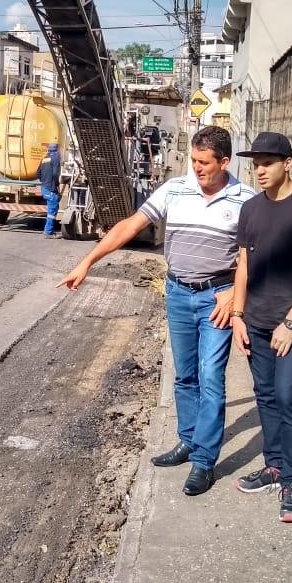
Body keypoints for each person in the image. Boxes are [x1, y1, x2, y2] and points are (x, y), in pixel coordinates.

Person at [59, 125, 255, 496]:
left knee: (211, 376)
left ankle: (203, 462)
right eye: (193, 160)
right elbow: (130, 226)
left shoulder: (245, 199)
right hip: (178, 293)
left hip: (218, 297)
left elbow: (252, 255)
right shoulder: (174, 189)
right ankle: (187, 440)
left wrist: (235, 298)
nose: (196, 168)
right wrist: (87, 262)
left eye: (204, 163)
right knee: (184, 376)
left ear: (225, 162)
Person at [230, 132, 292, 523]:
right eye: (256, 164)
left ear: (288, 162)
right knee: (266, 395)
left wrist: (291, 321)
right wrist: (238, 317)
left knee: (288, 396)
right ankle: (273, 466)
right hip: (254, 321)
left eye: (268, 162)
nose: (260, 170)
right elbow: (243, 265)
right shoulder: (251, 210)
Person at [39, 142, 62, 238]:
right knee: (52, 211)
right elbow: (55, 173)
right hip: (51, 188)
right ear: (57, 149)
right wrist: (56, 184)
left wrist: (44, 181)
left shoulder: (44, 158)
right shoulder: (56, 157)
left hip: (44, 187)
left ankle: (48, 230)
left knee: (51, 210)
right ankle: (48, 232)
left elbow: (38, 173)